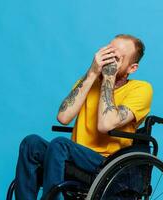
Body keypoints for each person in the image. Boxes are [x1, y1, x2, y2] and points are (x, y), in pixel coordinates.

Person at [14, 34, 153, 200]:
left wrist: (108, 77)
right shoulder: (88, 81)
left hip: (107, 162)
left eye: (116, 57)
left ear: (132, 68)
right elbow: (63, 118)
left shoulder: (141, 89)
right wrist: (93, 72)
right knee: (31, 143)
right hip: (74, 155)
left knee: (60, 144)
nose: (110, 59)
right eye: (108, 52)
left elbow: (105, 125)